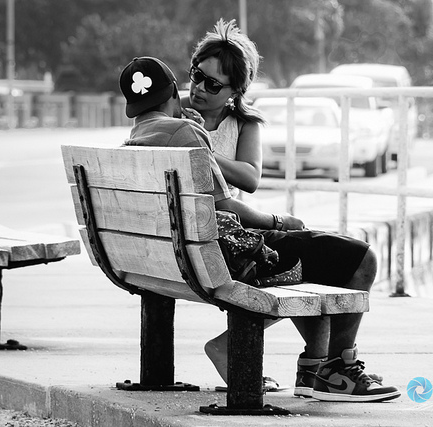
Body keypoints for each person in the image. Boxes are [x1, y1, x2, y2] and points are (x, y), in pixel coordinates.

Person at [118, 53, 400, 403]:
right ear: (175, 92)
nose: (200, 88)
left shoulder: (137, 136)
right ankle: (336, 370)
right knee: (361, 258)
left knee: (315, 252)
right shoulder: (184, 131)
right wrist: (279, 221)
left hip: (169, 255)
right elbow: (224, 206)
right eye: (197, 78)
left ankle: (318, 366)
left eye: (212, 83)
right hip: (225, 254)